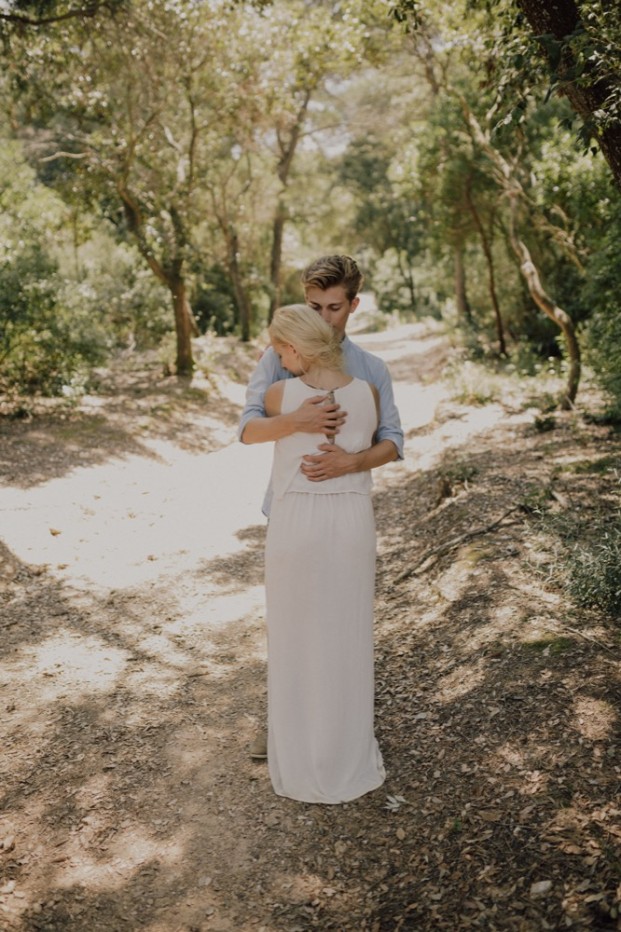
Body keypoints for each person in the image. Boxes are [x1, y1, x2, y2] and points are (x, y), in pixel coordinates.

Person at [239, 255, 404, 760]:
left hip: (346, 508)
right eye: (313, 306)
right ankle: (292, 731)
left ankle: (338, 732)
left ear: (353, 306)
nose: (322, 319)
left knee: (341, 623)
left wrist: (350, 462)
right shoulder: (277, 357)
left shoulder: (372, 370)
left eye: (333, 308)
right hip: (290, 508)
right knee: (295, 624)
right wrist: (296, 421)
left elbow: (394, 441)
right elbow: (247, 428)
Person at [263, 305, 385, 803]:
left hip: (297, 524)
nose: (277, 359)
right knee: (348, 637)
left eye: (278, 350)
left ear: (294, 349)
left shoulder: (279, 396)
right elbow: (380, 444)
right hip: (352, 520)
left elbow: (251, 427)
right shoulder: (369, 393)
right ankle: (345, 758)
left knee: (296, 640)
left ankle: (301, 761)